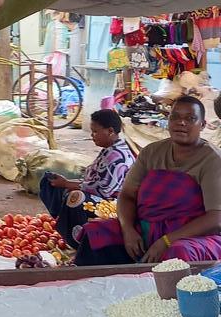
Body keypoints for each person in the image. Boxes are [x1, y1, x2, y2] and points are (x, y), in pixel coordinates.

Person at [76, 97, 221, 265]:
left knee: (178, 252)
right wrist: (128, 230)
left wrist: (166, 241)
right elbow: (127, 195)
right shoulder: (151, 152)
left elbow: (216, 218)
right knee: (96, 232)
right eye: (175, 117)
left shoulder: (212, 160)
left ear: (202, 125)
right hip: (147, 230)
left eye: (190, 118)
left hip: (191, 236)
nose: (181, 123)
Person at [39, 109, 135, 247]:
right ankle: (65, 223)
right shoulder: (109, 150)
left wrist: (67, 184)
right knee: (50, 181)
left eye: (95, 131)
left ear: (110, 131)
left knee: (76, 197)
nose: (92, 135)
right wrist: (66, 183)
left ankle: (79, 241)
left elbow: (103, 191)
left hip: (116, 205)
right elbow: (91, 181)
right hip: (99, 196)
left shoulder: (117, 156)